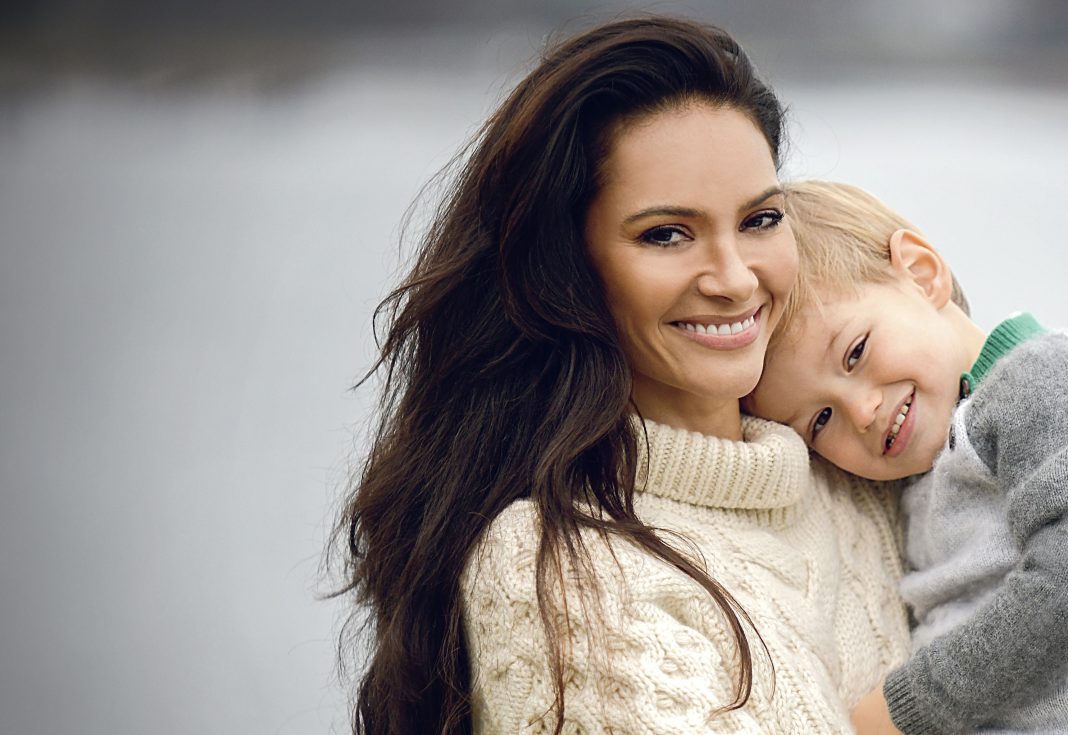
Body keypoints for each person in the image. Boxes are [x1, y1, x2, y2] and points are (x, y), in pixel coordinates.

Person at [334, 20, 909, 734]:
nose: (734, 278)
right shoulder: (554, 569)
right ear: (566, 270)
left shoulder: (864, 471)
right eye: (666, 234)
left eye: (761, 219)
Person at [747, 181, 1068, 735]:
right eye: (819, 421)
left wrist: (906, 707)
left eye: (856, 352)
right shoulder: (924, 465)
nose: (860, 411)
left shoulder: (1046, 381)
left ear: (920, 273)